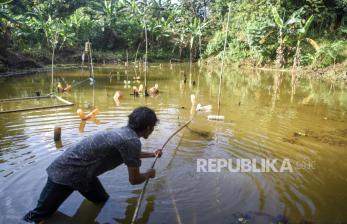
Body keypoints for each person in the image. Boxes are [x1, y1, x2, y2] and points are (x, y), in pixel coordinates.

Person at [23, 106, 161, 223]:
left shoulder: (124, 133)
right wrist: (149, 174)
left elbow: (129, 154)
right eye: (153, 127)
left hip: (85, 175)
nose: (153, 129)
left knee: (101, 200)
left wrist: (152, 154)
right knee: (37, 215)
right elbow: (134, 180)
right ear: (148, 127)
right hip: (65, 173)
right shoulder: (131, 141)